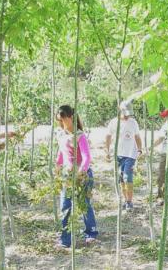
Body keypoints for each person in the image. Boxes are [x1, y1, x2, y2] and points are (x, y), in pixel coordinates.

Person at [55, 105, 98, 248]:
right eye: (59, 121)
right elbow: (61, 153)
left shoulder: (80, 136)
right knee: (65, 206)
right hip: (67, 176)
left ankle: (91, 232)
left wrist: (80, 173)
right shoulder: (61, 134)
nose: (61, 123)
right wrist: (57, 167)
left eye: (63, 120)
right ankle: (65, 238)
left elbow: (86, 158)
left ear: (71, 117)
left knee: (84, 204)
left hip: (82, 175)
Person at [105, 100, 143, 211]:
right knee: (121, 178)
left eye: (128, 114)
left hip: (131, 154)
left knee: (128, 177)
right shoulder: (113, 122)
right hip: (118, 155)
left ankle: (130, 201)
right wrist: (107, 151)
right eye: (125, 113)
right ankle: (125, 200)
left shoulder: (133, 122)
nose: (127, 116)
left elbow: (137, 137)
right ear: (120, 110)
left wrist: (140, 149)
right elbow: (108, 136)